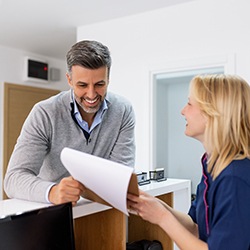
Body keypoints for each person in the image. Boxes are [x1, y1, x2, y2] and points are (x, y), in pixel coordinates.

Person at [4, 40, 136, 205]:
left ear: (108, 79)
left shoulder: (123, 110)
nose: (91, 94)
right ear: (69, 80)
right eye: (82, 85)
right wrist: (52, 192)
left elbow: (121, 173)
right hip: (53, 211)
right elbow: (13, 179)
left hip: (99, 209)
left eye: (99, 84)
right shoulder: (44, 113)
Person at [127, 74, 250, 250]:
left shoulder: (234, 178)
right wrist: (151, 203)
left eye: (190, 104)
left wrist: (162, 217)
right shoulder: (213, 167)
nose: (183, 111)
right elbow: (195, 228)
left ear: (212, 113)